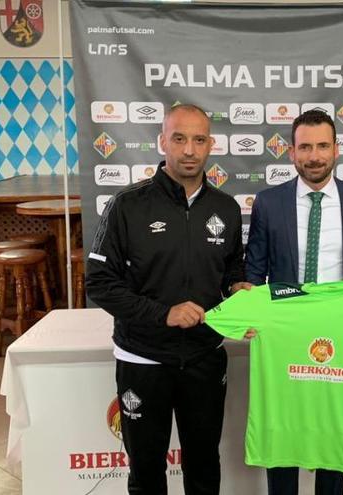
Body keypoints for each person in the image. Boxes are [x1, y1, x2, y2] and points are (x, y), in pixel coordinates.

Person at [86, 104, 250, 495]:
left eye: (198, 139)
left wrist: (238, 289)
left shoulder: (225, 208)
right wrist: (164, 314)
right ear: (162, 142)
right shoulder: (127, 205)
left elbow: (230, 272)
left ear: (211, 144)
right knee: (145, 471)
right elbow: (99, 282)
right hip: (142, 358)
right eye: (179, 139)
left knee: (205, 465)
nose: (189, 150)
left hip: (205, 357)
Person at [244, 109, 343, 495]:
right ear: (291, 152)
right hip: (286, 336)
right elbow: (254, 271)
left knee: (332, 431)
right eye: (305, 146)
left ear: (337, 149)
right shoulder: (269, 203)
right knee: (284, 431)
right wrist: (251, 315)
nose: (315, 156)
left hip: (341, 338)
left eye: (323, 145)